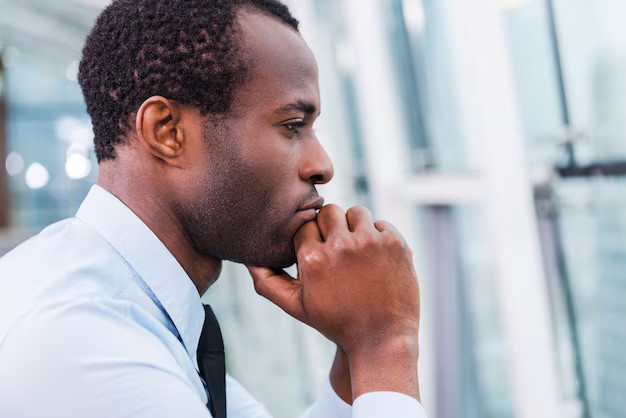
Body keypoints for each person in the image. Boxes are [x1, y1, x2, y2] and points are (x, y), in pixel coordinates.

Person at [0, 1, 426, 417]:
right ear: (166, 132)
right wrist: (385, 345)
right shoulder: (80, 340)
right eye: (293, 126)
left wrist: (355, 355)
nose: (323, 166)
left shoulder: (135, 309)